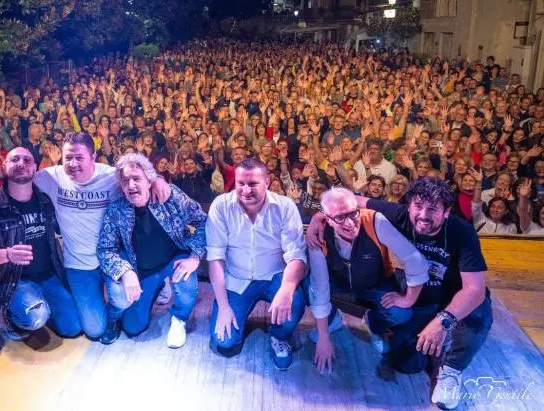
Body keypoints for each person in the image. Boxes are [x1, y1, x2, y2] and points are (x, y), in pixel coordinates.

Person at [307, 178, 493, 410]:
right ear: (409, 206)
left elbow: (474, 290)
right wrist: (319, 218)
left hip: (458, 296)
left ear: (446, 212)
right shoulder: (398, 214)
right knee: (406, 364)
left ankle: (452, 370)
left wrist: (442, 321)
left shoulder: (460, 231)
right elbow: (348, 200)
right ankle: (382, 323)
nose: (423, 215)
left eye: (433, 209)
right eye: (418, 206)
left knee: (478, 317)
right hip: (424, 295)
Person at [0, 131, 170, 342]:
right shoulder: (51, 177)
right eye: (67, 157)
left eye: (79, 157)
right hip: (79, 264)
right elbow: (19, 177)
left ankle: (115, 315)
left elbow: (140, 175)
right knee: (93, 330)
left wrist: (158, 181)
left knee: (123, 299)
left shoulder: (110, 176)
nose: (72, 163)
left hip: (112, 257)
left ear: (93, 156)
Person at [306, 187, 429, 375]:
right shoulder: (319, 234)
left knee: (401, 313)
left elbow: (415, 260)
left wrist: (408, 299)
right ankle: (332, 319)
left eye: (353, 213)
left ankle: (373, 323)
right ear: (327, 219)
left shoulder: (374, 221)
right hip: (337, 284)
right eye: (340, 217)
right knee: (308, 285)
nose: (349, 222)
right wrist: (323, 337)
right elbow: (320, 287)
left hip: (376, 283)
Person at [206, 158, 306, 370]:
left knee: (295, 301)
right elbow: (215, 258)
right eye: (241, 183)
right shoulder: (221, 206)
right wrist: (224, 306)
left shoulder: (285, 207)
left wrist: (287, 290)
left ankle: (278, 337)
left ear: (267, 182)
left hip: (275, 276)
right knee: (224, 342)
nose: (245, 190)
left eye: (253, 184)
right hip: (237, 278)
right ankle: (235, 317)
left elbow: (296, 255)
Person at [97, 153, 207, 348]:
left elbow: (202, 221)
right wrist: (125, 272)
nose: (131, 185)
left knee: (187, 283)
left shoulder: (169, 195)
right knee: (133, 327)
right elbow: (105, 249)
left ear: (150, 180)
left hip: (174, 259)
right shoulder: (116, 209)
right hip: (142, 269)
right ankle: (155, 289)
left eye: (136, 179)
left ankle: (179, 319)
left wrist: (196, 256)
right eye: (125, 181)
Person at [0, 147, 82, 341]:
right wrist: (7, 254)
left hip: (49, 275)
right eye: (15, 160)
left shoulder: (45, 200)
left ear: (34, 169)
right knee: (35, 318)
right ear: (4, 167)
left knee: (72, 328)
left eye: (27, 160)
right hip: (15, 279)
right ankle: (10, 315)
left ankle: (40, 303)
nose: (21, 164)